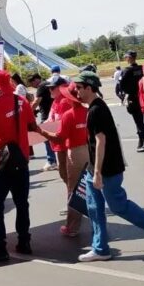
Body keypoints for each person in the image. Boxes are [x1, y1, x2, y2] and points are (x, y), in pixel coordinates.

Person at [75, 71, 144, 262]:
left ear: (89, 87)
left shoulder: (97, 110)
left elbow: (101, 141)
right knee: (94, 207)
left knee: (119, 206)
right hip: (95, 168)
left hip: (105, 170)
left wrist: (97, 173)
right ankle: (100, 248)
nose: (76, 91)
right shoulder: (94, 107)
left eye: (79, 88)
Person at [0, 70, 39, 262]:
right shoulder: (21, 100)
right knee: (22, 203)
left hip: (1, 162)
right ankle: (24, 241)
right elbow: (30, 125)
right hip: (21, 159)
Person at [40, 84, 89, 237]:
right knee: (91, 187)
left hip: (74, 152)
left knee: (73, 190)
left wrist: (40, 131)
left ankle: (72, 227)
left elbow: (59, 137)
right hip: (89, 150)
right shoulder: (88, 111)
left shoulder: (69, 114)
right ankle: (96, 222)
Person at [119, 51, 144, 152]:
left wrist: (125, 94)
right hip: (143, 97)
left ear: (129, 58)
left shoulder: (127, 70)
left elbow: (121, 85)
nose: (125, 59)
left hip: (133, 98)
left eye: (126, 57)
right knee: (140, 121)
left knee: (139, 123)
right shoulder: (141, 68)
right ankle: (141, 141)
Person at [29, 73, 57, 170]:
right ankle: (54, 159)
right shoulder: (48, 83)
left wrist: (29, 111)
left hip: (47, 116)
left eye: (32, 83)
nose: (32, 86)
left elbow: (37, 101)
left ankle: (51, 160)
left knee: (46, 137)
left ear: (36, 80)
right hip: (53, 113)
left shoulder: (41, 86)